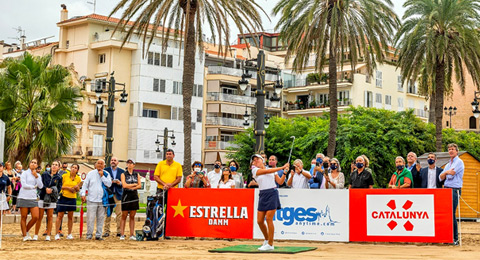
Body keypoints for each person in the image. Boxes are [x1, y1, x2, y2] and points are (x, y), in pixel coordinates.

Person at [251, 154, 289, 251]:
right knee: (259, 221)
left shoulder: (272, 170)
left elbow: (280, 182)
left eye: (257, 159)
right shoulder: (255, 170)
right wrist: (282, 167)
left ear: (262, 160)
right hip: (263, 194)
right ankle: (267, 239)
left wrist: (284, 173)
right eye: (254, 160)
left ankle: (270, 244)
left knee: (268, 218)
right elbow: (268, 171)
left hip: (272, 193)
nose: (255, 161)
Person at [153, 149, 182, 239]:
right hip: (161, 190)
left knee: (169, 212)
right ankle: (158, 231)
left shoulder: (177, 165)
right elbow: (156, 176)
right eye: (167, 154)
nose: (168, 155)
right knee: (159, 210)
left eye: (170, 154)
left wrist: (170, 185)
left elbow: (179, 178)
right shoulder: (160, 164)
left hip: (173, 191)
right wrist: (164, 184)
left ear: (173, 155)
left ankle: (167, 232)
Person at [439, 143, 464, 245]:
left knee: (452, 214)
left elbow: (450, 176)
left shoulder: (459, 162)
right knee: (447, 214)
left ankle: (455, 238)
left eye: (453, 149)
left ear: (457, 151)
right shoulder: (449, 163)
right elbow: (440, 177)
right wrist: (446, 173)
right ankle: (448, 237)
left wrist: (446, 173)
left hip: (454, 189)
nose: (451, 151)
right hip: (446, 189)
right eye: (449, 149)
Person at [81, 159, 112, 240]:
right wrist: (83, 194)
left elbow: (109, 184)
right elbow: (85, 185)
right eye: (98, 163)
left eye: (102, 164)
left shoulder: (106, 174)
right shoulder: (91, 174)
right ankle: (89, 234)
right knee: (90, 218)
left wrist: (102, 176)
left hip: (102, 200)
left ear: (104, 166)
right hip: (91, 199)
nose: (100, 165)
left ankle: (98, 235)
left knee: (101, 218)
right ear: (95, 165)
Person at [34, 160, 62, 241]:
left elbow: (59, 188)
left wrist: (52, 191)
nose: (54, 166)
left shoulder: (59, 177)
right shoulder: (45, 174)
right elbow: (40, 184)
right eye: (53, 164)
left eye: (56, 165)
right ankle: (36, 234)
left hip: (52, 199)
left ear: (58, 167)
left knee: (50, 217)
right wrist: (45, 189)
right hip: (43, 197)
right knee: (40, 216)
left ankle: (48, 235)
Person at [17, 159, 43, 241]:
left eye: (35, 163)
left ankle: (26, 230)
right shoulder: (24, 173)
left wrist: (36, 176)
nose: (33, 164)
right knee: (24, 216)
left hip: (33, 197)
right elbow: (24, 185)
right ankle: (25, 235)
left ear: (37, 165)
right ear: (29, 164)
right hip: (24, 196)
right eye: (32, 162)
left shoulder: (38, 175)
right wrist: (33, 187)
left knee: (35, 217)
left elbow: (41, 186)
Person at [55, 163, 82, 240]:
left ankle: (69, 234)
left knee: (70, 216)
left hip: (72, 198)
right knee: (60, 215)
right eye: (72, 167)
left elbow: (78, 189)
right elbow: (60, 186)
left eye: (75, 168)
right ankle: (57, 233)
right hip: (63, 197)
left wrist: (76, 189)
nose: (73, 169)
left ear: (77, 170)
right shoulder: (64, 176)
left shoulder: (78, 178)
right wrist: (68, 188)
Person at [119, 159, 141, 241]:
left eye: (131, 163)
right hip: (126, 195)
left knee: (132, 215)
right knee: (124, 215)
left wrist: (133, 186)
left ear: (134, 165)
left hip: (134, 195)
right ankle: (122, 234)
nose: (129, 164)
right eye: (128, 163)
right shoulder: (123, 174)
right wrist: (134, 185)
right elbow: (124, 185)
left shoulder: (136, 174)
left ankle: (132, 234)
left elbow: (139, 185)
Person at [103, 156, 125, 238]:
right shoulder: (106, 171)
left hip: (118, 195)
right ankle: (106, 231)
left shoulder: (122, 171)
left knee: (119, 214)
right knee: (108, 213)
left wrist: (120, 183)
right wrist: (110, 182)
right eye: (112, 160)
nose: (113, 161)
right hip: (109, 194)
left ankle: (119, 231)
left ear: (117, 162)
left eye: (115, 160)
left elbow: (124, 183)